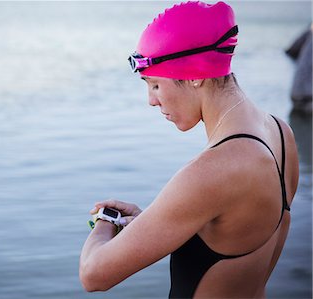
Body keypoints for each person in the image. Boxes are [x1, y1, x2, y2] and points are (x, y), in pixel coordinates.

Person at [79, 1, 299, 298]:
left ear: (195, 74)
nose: (151, 100)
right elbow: (234, 234)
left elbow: (93, 274)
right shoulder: (280, 134)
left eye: (155, 84)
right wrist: (151, 222)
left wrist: (105, 221)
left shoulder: (211, 172)